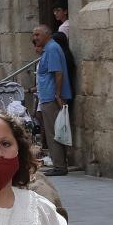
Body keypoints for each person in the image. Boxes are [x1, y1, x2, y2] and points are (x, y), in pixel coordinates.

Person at [32, 25, 72, 175]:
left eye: (38, 34)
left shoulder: (52, 49)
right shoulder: (48, 49)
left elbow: (58, 73)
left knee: (53, 132)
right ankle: (59, 164)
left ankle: (60, 166)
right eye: (34, 35)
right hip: (48, 96)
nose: (35, 38)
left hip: (51, 97)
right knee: (54, 131)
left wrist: (57, 94)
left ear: (47, 35)